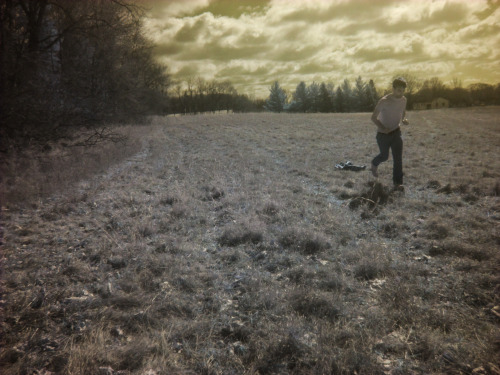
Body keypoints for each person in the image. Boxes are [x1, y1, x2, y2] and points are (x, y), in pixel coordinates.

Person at [370, 77, 409, 190]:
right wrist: (383, 128)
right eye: (398, 90)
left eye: (403, 90)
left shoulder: (404, 100)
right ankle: (374, 164)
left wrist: (403, 119)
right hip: (383, 135)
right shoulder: (384, 101)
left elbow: (403, 111)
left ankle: (397, 183)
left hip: (396, 132)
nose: (400, 92)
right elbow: (373, 117)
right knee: (384, 156)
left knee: (398, 159)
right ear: (393, 88)